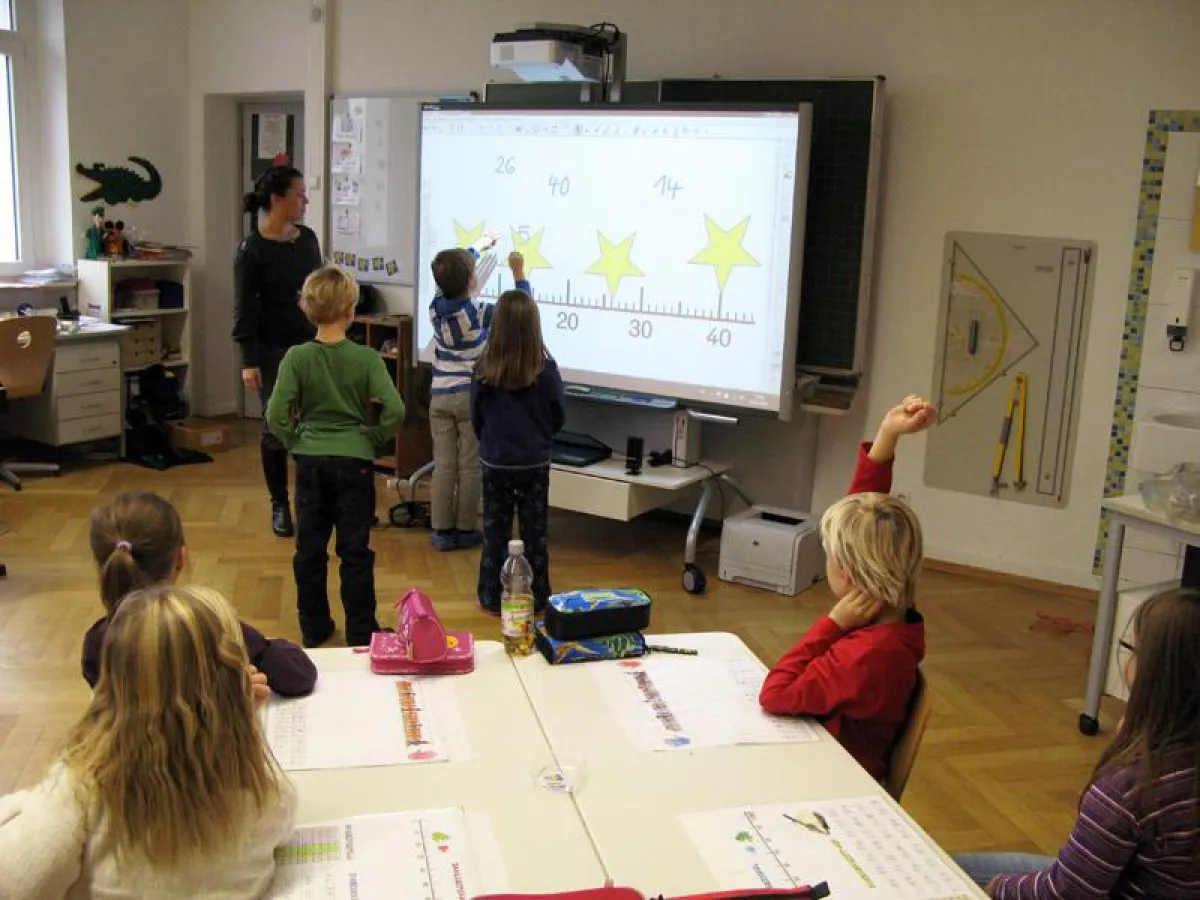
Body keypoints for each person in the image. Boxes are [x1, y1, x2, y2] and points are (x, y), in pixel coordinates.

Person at [0, 585, 297, 898]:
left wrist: (25, 803)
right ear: (235, 690)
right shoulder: (267, 794)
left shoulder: (82, 789)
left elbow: (14, 882)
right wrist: (240, 727)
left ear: (111, 685)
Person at [956, 587, 1200, 898]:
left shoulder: (1128, 788)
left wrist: (998, 890)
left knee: (944, 870)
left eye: (1133, 650)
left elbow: (1066, 894)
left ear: (1154, 674)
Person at [759, 396, 936, 781]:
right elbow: (869, 516)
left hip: (832, 779)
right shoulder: (894, 609)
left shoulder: (865, 654)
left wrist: (831, 625)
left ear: (848, 576)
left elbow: (776, 694)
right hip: (832, 757)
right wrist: (887, 435)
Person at [266, 265, 405, 648]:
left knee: (309, 550)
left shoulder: (296, 357)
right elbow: (395, 410)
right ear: (350, 309)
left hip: (310, 461)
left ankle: (315, 627)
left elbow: (275, 415)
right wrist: (373, 438)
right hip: (355, 464)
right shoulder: (367, 359)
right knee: (355, 550)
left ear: (308, 309)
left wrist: (296, 441)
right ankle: (361, 630)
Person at [81, 491, 317, 697]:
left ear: (102, 565)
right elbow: (299, 676)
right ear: (180, 558)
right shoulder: (209, 627)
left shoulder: (97, 642)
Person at [233, 164, 323, 539]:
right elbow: (244, 309)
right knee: (275, 430)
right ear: (277, 199)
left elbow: (319, 292)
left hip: (310, 346)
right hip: (271, 350)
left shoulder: (307, 239)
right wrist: (248, 360)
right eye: (299, 194)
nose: (305, 200)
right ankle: (279, 504)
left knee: (312, 427)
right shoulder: (251, 250)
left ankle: (309, 501)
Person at [471, 286, 565, 614]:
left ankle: (489, 595)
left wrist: (491, 443)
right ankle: (537, 596)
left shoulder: (484, 369)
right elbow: (558, 416)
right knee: (535, 533)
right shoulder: (545, 371)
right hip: (534, 464)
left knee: (494, 533)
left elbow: (476, 416)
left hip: (495, 462)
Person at [427, 241, 525, 552]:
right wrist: (518, 274)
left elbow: (456, 273)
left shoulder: (435, 307)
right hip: (468, 398)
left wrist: (477, 249)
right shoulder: (477, 313)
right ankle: (465, 527)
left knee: (443, 465)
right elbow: (518, 311)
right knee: (469, 465)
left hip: (439, 397)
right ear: (472, 281)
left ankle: (441, 530)